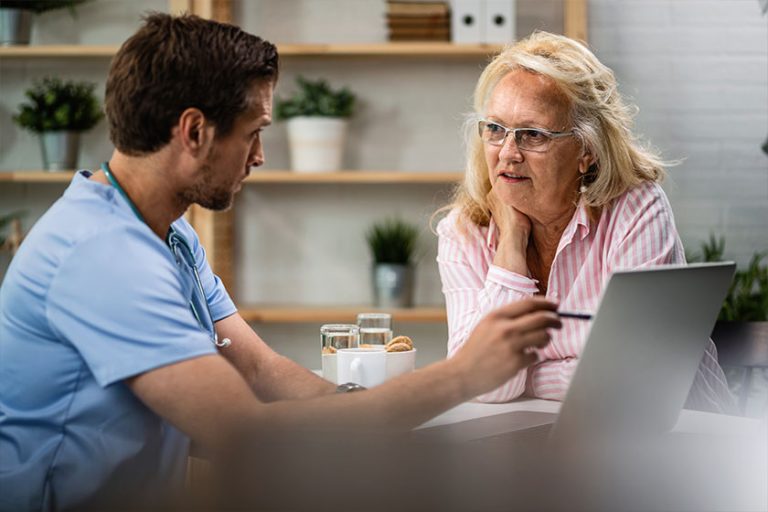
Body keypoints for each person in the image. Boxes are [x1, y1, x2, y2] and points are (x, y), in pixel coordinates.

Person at [0, 14, 562, 511]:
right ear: (195, 131)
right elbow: (244, 437)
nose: (260, 156)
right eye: (254, 133)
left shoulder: (168, 235)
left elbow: (259, 371)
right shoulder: (100, 255)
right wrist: (461, 375)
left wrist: (368, 411)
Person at [435, 31, 736, 412]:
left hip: (691, 438)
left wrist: (526, 373)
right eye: (495, 129)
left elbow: (638, 378)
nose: (508, 153)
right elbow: (478, 384)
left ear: (587, 152)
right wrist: (511, 243)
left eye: (533, 135)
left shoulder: (635, 209)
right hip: (555, 443)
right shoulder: (462, 231)